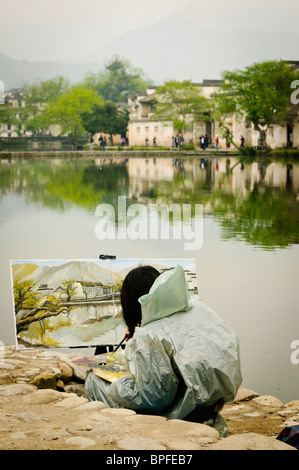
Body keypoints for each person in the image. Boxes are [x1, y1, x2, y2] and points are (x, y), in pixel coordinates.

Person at [84, 264, 242, 435]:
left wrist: (118, 384)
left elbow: (154, 399)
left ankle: (115, 435)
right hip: (209, 406)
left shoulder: (149, 335)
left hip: (183, 415)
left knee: (94, 381)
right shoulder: (197, 307)